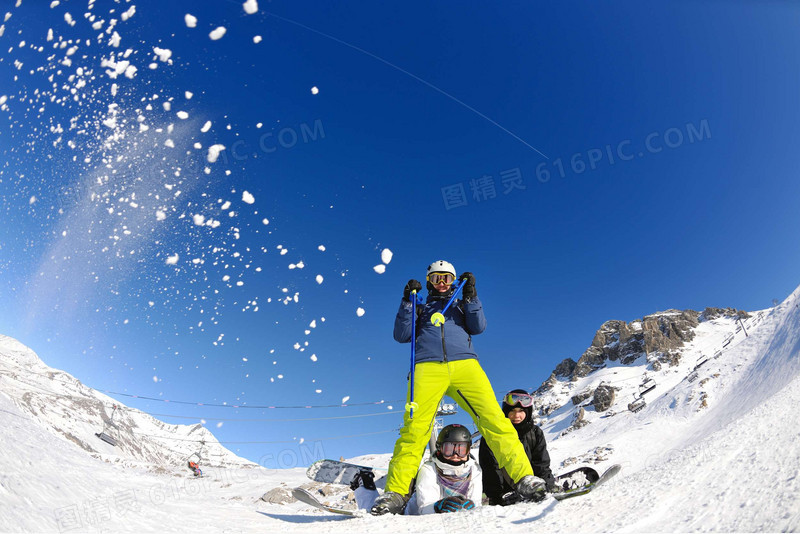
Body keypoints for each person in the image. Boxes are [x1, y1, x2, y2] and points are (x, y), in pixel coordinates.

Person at [370, 260, 546, 515]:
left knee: (494, 420)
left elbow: (478, 327)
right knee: (415, 428)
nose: (442, 283)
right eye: (436, 278)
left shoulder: (461, 306)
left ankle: (524, 479)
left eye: (447, 278)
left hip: (465, 366)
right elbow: (401, 335)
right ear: (429, 281)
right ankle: (396, 493)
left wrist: (471, 297)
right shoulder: (421, 306)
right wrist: (407, 301)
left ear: (454, 281)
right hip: (426, 367)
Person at [479, 389, 556, 505]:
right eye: (512, 411)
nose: (516, 415)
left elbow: (541, 464)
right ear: (505, 412)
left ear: (528, 412)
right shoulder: (492, 436)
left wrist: (548, 486)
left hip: (532, 486)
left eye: (521, 411)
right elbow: (491, 471)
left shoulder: (535, 433)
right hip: (503, 493)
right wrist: (497, 498)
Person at [404, 424, 481, 515]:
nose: (455, 454)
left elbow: (476, 501)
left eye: (461, 450)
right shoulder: (429, 469)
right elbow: (423, 508)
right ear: (440, 448)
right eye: (449, 449)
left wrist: (472, 504)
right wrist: (437, 506)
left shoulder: (474, 469)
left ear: (468, 450)